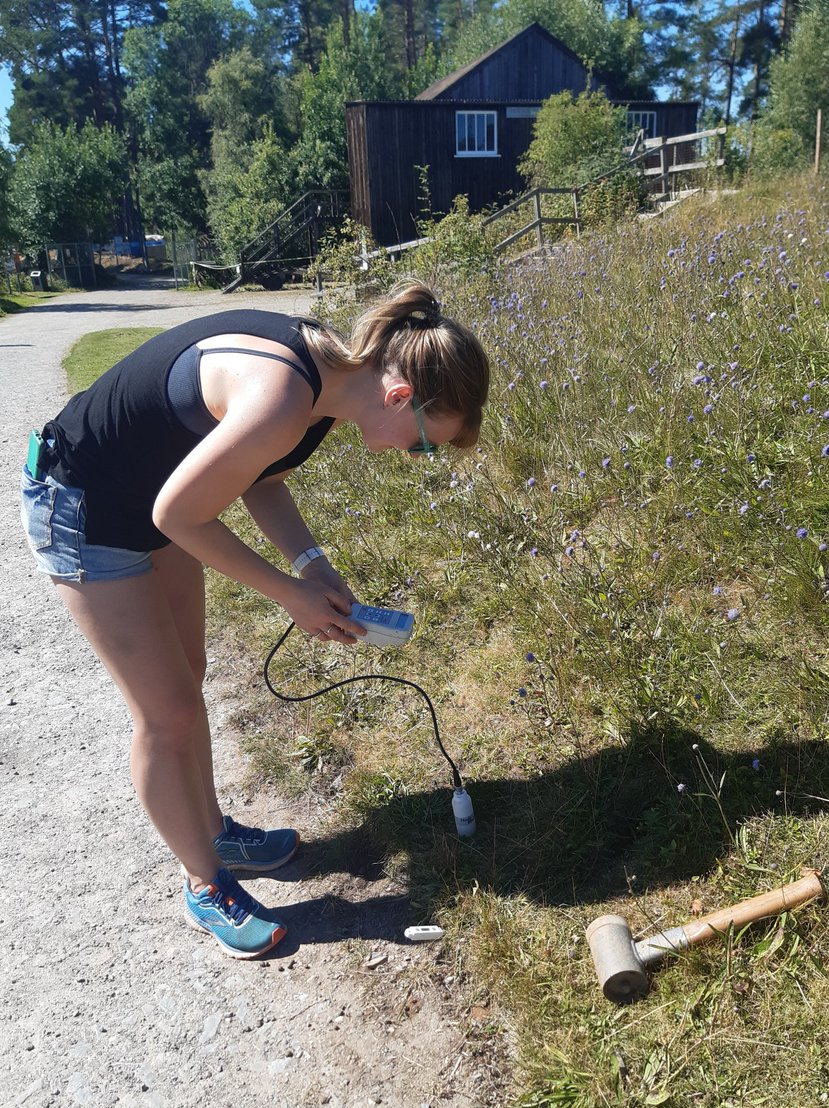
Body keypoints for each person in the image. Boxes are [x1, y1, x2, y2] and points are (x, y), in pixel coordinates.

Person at [20, 281, 489, 960]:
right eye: (424, 445)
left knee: (190, 676)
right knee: (168, 713)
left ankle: (212, 833)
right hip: (84, 508)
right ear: (398, 397)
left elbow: (260, 477)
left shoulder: (331, 379)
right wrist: (289, 596)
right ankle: (203, 885)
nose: (416, 460)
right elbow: (179, 517)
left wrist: (310, 562)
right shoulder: (284, 395)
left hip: (144, 499)